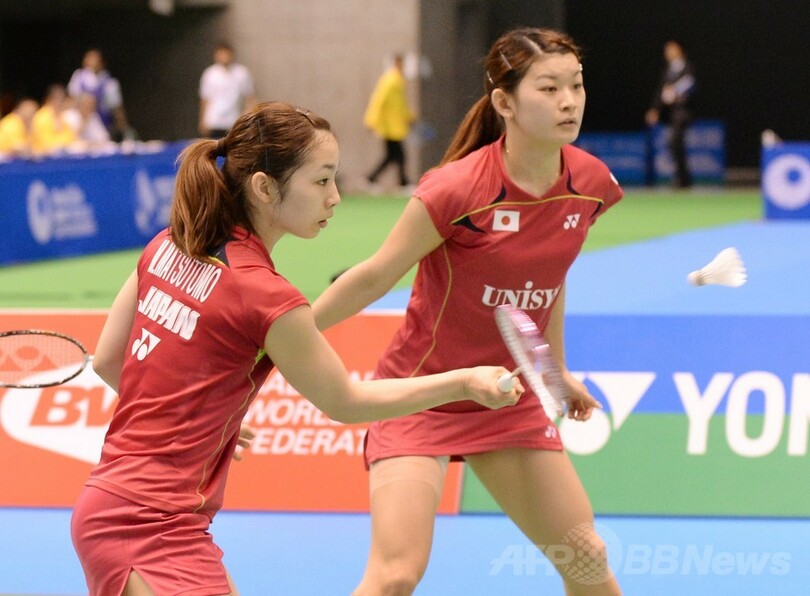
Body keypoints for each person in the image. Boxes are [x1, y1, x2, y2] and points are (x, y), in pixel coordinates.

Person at [69, 101, 522, 596]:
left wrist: (203, 418)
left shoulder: (166, 245)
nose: (336, 197)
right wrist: (464, 382)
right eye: (321, 180)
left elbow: (109, 360)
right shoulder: (265, 295)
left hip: (118, 505)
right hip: (148, 522)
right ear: (265, 187)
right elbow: (345, 402)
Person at [313, 28, 624, 595]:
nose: (569, 102)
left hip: (506, 397)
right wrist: (284, 336)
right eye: (549, 88)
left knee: (587, 559)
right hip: (420, 395)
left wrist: (554, 370)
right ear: (505, 102)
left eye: (576, 86)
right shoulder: (457, 189)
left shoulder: (590, 184)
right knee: (395, 575)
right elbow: (376, 275)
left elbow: (549, 279)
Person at [645, 40, 696, 188]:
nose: (667, 53)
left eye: (671, 49)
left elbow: (692, 86)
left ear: (679, 50)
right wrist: (655, 109)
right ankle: (682, 178)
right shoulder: (667, 69)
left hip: (684, 112)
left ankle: (683, 178)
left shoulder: (688, 67)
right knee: (674, 144)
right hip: (671, 114)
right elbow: (661, 91)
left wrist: (678, 93)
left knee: (675, 140)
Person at [364, 53, 414, 192]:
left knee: (392, 156)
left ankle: (371, 178)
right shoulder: (390, 80)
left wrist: (408, 117)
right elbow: (378, 101)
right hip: (390, 126)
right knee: (399, 155)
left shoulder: (398, 80)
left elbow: (400, 104)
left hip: (396, 125)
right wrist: (372, 120)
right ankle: (402, 183)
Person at [67, 48, 133, 142]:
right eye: (88, 59)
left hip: (101, 122)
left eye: (94, 60)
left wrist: (124, 128)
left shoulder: (109, 83)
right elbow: (71, 100)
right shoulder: (79, 77)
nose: (91, 62)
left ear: (101, 63)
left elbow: (117, 108)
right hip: (80, 120)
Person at [198, 42, 257, 139]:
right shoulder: (210, 74)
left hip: (233, 122)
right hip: (214, 122)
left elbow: (250, 97)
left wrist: (251, 119)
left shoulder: (241, 73)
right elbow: (205, 98)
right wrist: (202, 120)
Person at [31, 84, 77, 156]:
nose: (60, 103)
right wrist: (62, 142)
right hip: (43, 158)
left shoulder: (63, 117)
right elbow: (45, 143)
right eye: (57, 99)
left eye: (62, 100)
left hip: (62, 155)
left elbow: (71, 137)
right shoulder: (41, 117)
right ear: (49, 100)